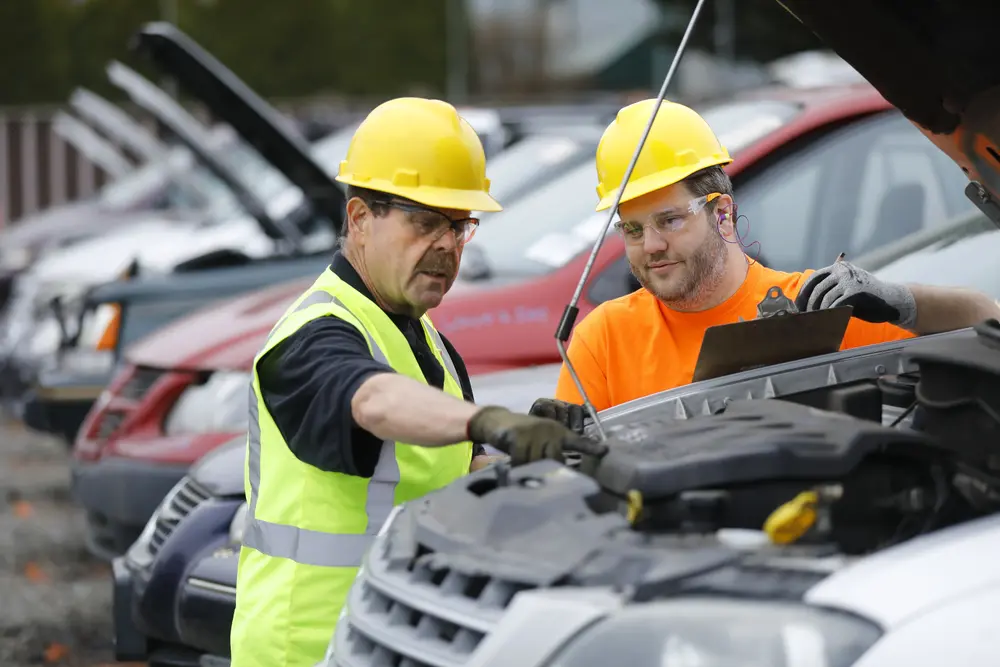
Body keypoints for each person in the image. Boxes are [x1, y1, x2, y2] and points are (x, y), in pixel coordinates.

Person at [229, 97, 596, 667]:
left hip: (390, 636)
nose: (447, 245)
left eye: (459, 225)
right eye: (425, 221)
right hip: (304, 648)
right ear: (359, 219)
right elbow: (371, 400)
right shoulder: (311, 336)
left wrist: (535, 459)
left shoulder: (427, 342)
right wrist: (489, 422)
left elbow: (450, 471)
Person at [532, 98, 1000, 424]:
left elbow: (989, 326)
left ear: (722, 214)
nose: (649, 245)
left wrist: (902, 301)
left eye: (669, 221)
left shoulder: (816, 310)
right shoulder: (604, 338)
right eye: (631, 229)